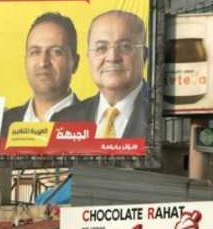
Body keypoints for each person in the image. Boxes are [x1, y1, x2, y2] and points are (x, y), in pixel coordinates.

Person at [54, 10, 151, 139]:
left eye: (125, 47)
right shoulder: (63, 121)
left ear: (144, 55)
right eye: (101, 48)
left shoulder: (164, 117)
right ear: (89, 56)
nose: (112, 57)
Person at [1, 13, 81, 130]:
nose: (43, 62)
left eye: (56, 52)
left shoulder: (96, 122)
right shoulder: (1, 125)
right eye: (35, 52)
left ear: (75, 63)